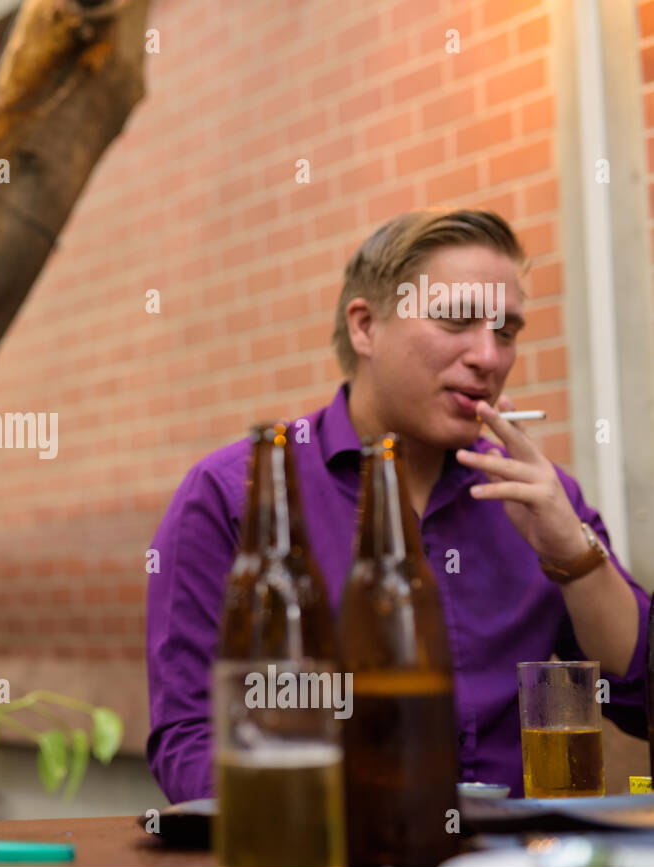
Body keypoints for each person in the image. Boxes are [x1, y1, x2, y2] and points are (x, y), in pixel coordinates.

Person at [146, 207, 650, 802]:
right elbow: (190, 742)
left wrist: (575, 557)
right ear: (365, 327)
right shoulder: (235, 496)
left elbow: (640, 703)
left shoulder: (541, 498)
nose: (488, 357)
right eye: (457, 320)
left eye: (506, 331)